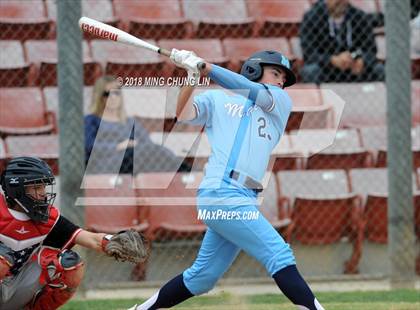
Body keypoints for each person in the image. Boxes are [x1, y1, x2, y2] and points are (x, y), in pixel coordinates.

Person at [127, 48, 325, 310]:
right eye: (276, 73)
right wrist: (192, 75)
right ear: (253, 69)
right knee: (279, 254)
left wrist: (207, 67)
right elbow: (183, 114)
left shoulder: (279, 102)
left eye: (284, 78)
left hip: (242, 198)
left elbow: (250, 91)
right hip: (222, 193)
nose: (280, 81)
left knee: (202, 278)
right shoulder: (217, 100)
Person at [0, 156, 146, 309]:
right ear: (16, 189)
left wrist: (111, 241)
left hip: (15, 288)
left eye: (43, 187)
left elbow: (89, 238)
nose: (43, 193)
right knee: (2, 257)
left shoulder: (47, 219)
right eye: (36, 188)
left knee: (70, 265)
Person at [85, 76, 190, 174]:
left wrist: (134, 145)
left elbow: (148, 144)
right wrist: (119, 146)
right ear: (99, 97)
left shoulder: (129, 122)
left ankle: (187, 172)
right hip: (108, 164)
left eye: (116, 93)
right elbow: (89, 146)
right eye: (107, 94)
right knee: (141, 152)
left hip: (133, 159)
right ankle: (188, 172)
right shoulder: (91, 120)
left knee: (156, 150)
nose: (113, 97)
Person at [300, 0, 385, 83]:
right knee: (310, 71)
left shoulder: (359, 16)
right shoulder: (312, 17)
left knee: (379, 69)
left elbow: (371, 49)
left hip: (354, 67)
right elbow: (309, 53)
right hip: (327, 69)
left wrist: (363, 60)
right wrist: (332, 60)